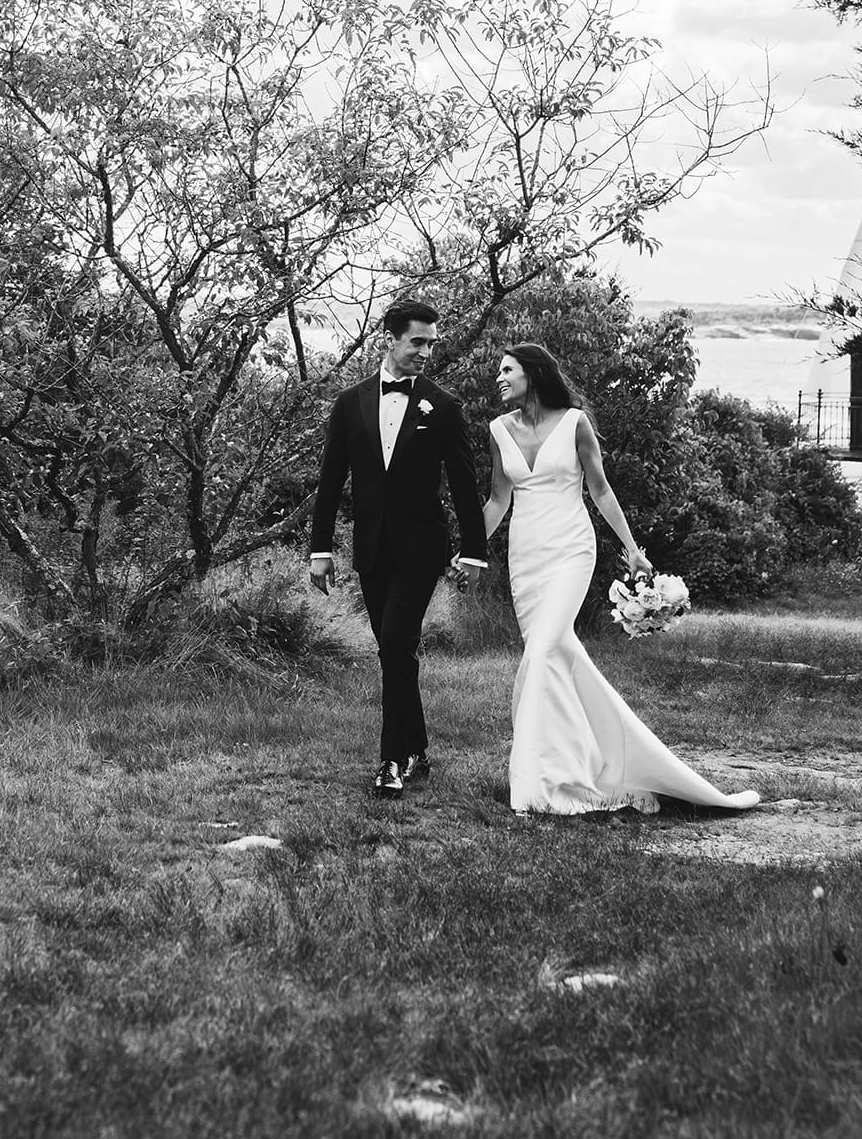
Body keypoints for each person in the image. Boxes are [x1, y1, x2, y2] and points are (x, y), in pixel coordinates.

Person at [482, 344, 761, 815]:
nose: (499, 378)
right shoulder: (497, 430)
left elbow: (600, 488)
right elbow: (496, 500)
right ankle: (593, 759)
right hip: (524, 560)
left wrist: (632, 551)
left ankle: (538, 780)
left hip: (571, 551)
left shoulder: (574, 423)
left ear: (533, 374)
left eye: (507, 370)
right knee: (556, 657)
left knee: (544, 650)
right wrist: (469, 553)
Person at [309, 299, 489, 796]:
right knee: (397, 650)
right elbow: (330, 481)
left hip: (421, 549)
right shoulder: (350, 402)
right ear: (388, 339)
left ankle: (391, 760)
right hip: (370, 548)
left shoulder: (443, 405)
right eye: (418, 342)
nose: (427, 351)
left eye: (432, 343)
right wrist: (319, 548)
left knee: (393, 642)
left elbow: (463, 482)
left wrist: (474, 551)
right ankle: (418, 744)